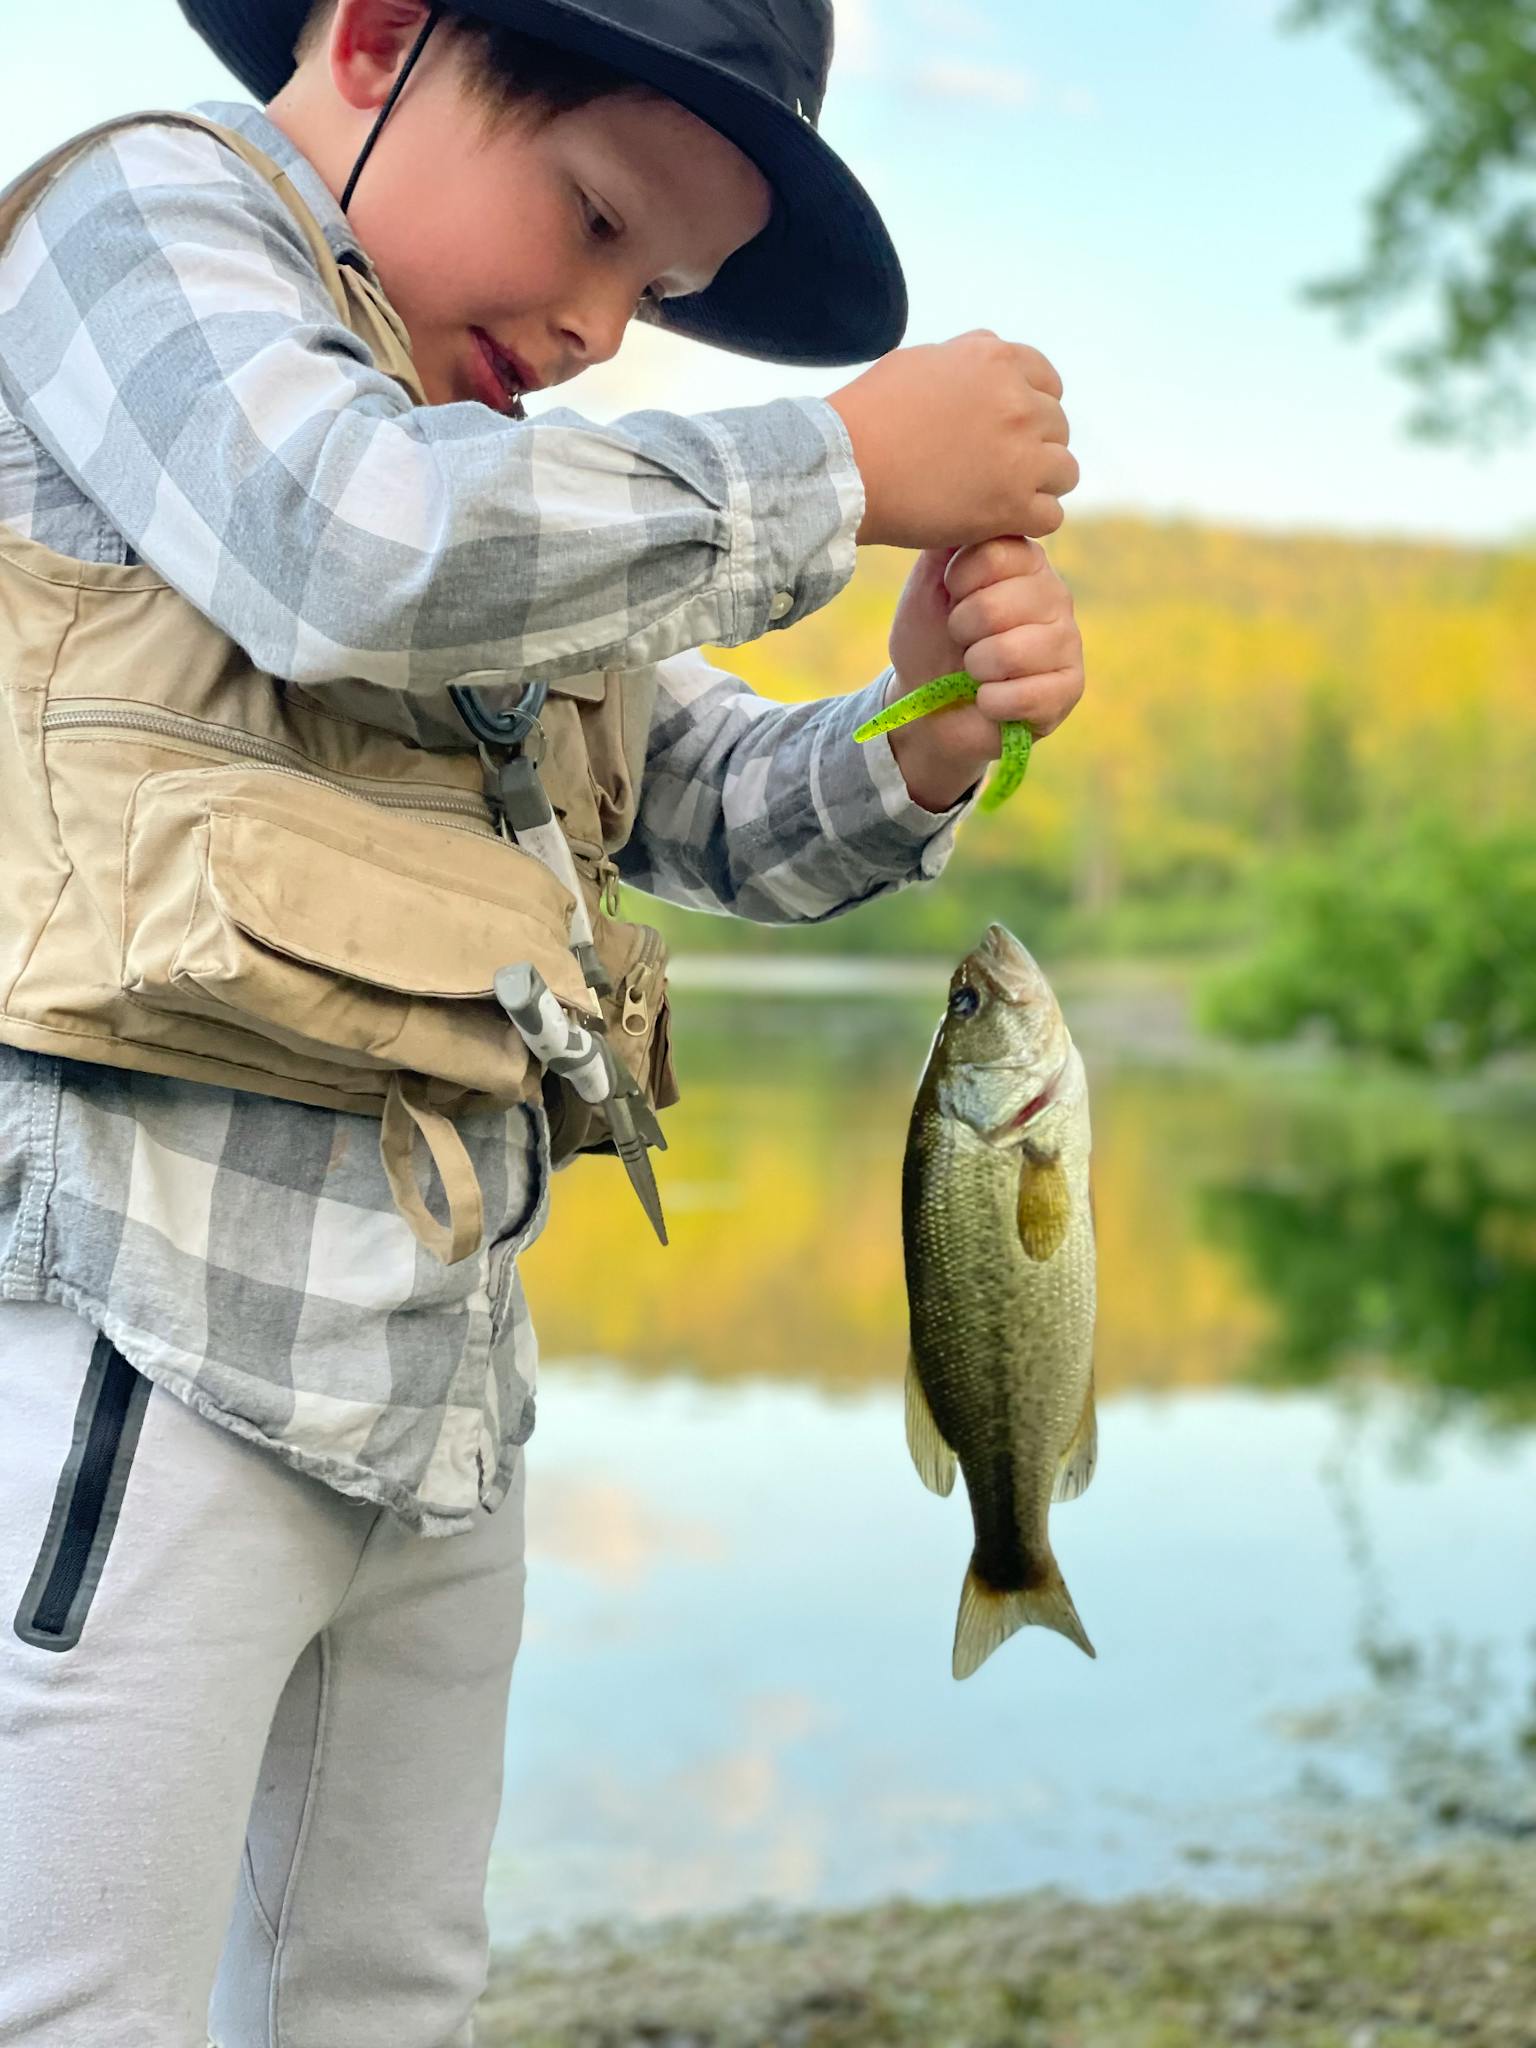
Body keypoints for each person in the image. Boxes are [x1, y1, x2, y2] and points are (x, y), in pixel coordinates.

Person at [0, 1, 1085, 2041]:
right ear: (382, 31)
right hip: (147, 1341)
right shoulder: (144, 220)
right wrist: (844, 466)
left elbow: (712, 804)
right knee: (82, 2001)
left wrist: (929, 729)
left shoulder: (506, 484)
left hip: (436, 1404)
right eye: (593, 222)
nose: (602, 327)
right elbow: (342, 543)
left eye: (654, 290)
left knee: (390, 1985)